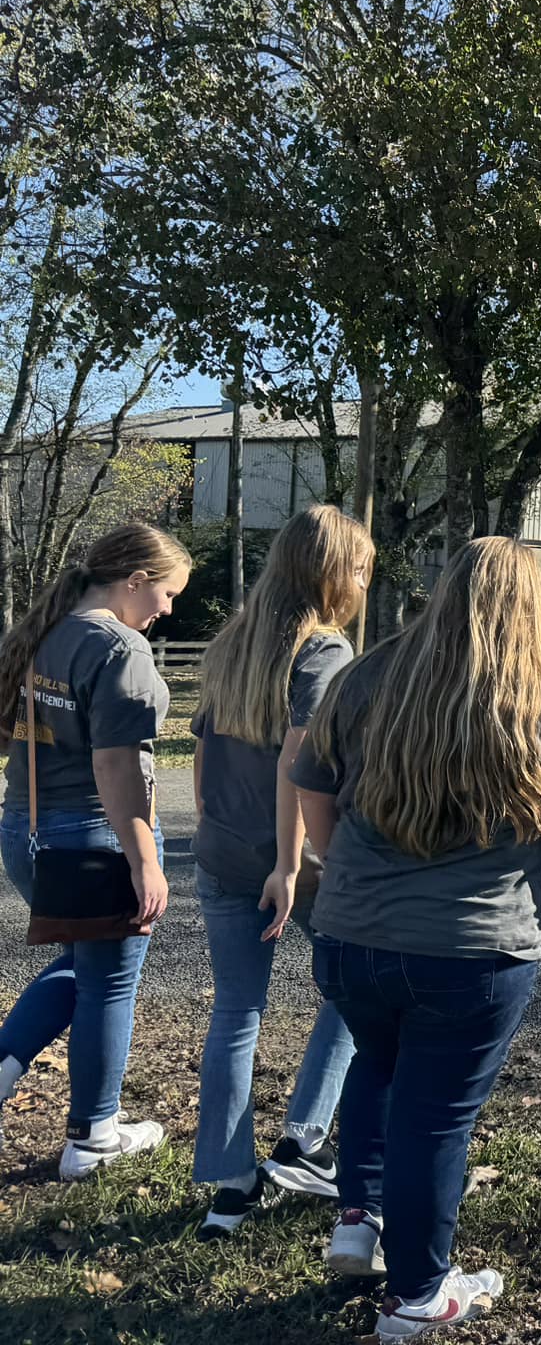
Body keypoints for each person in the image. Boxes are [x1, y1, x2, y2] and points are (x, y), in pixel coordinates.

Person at [292, 536, 541, 1339]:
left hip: (351, 938)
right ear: (534, 605)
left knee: (379, 1066)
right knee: (435, 1118)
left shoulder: (366, 678)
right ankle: (418, 1291)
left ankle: (358, 1216)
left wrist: (341, 872)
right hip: (474, 951)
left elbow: (312, 790)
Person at [190, 505, 373, 1235]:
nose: (363, 581)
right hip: (286, 860)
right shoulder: (322, 650)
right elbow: (303, 761)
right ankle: (304, 1137)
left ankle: (229, 1185)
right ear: (330, 573)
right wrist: (290, 863)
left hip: (222, 850)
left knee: (236, 1015)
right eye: (359, 568)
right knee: (356, 988)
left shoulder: (232, 642)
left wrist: (212, 828)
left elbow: (202, 749)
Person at [0, 523, 188, 1177]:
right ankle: (93, 1138)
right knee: (109, 983)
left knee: (84, 964)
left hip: (27, 832)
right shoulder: (118, 649)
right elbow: (117, 768)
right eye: (166, 593)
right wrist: (144, 860)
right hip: (94, 838)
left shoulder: (42, 632)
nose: (168, 609)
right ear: (134, 580)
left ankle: (4, 1064)